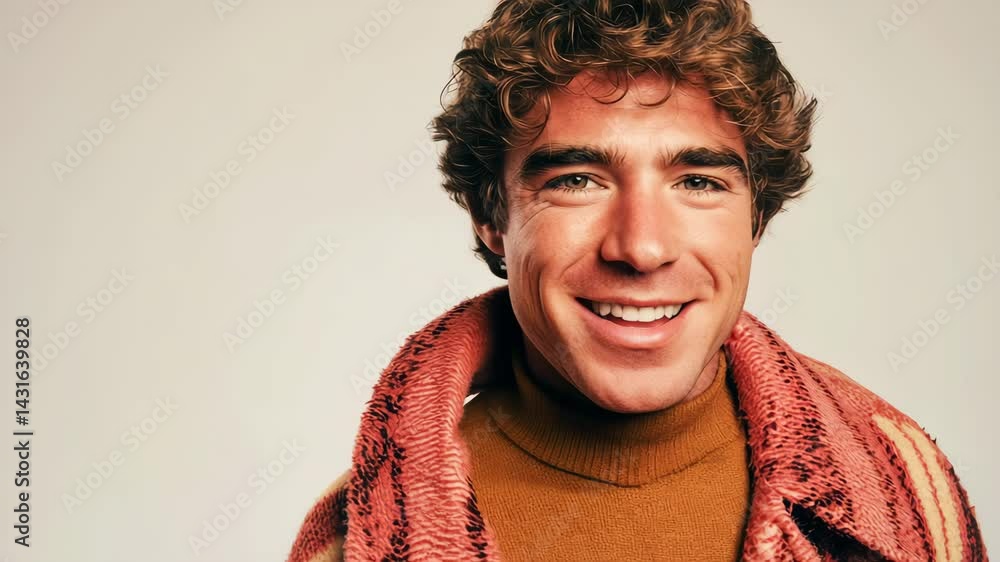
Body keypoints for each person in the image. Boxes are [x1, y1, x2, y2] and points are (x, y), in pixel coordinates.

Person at [288, 1, 988, 560]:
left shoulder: (902, 485)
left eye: (699, 182)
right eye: (577, 180)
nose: (643, 247)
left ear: (757, 217)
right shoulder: (358, 534)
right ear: (491, 217)